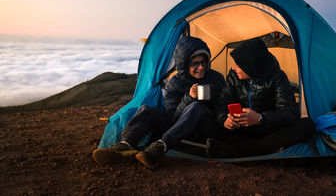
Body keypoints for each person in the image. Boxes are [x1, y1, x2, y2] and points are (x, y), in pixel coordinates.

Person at [93, 36, 225, 168]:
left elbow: (222, 105)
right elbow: (173, 117)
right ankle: (125, 145)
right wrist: (189, 97)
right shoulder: (175, 83)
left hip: (205, 128)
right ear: (185, 63)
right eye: (195, 64)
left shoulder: (216, 78)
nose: (201, 67)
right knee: (146, 110)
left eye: (204, 62)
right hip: (180, 127)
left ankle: (160, 148)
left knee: (197, 107)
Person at [206, 37, 315, 158]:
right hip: (242, 129)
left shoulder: (277, 77)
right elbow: (223, 101)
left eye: (238, 65)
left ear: (251, 66)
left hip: (269, 130)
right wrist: (224, 119)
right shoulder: (233, 76)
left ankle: (242, 150)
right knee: (205, 117)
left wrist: (260, 118)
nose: (233, 68)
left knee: (307, 125)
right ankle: (266, 150)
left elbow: (290, 113)